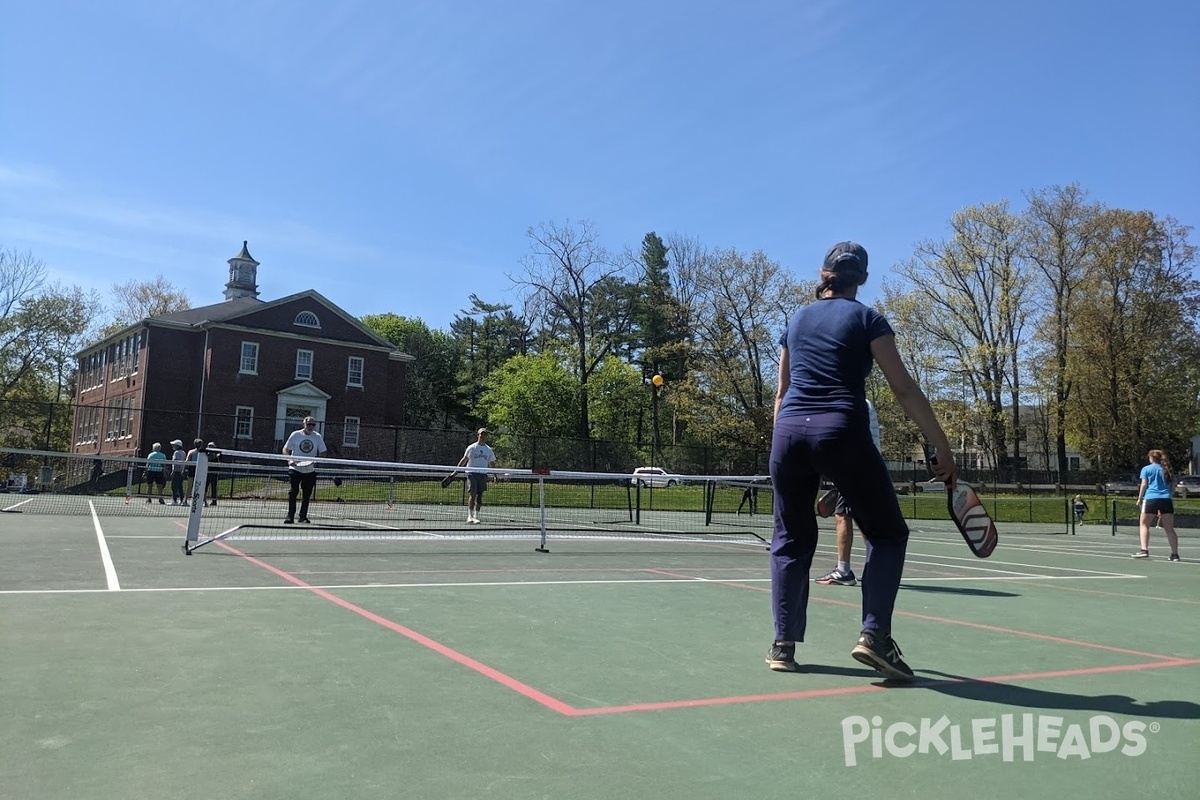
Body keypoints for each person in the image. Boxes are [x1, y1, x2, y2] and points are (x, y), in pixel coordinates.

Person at [767, 241, 956, 682]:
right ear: (863, 279)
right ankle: (874, 637)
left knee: (790, 540)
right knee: (888, 533)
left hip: (789, 434)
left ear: (823, 273)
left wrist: (780, 446)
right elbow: (903, 387)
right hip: (842, 432)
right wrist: (940, 445)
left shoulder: (795, 320)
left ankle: (783, 644)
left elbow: (782, 391)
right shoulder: (868, 318)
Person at [814, 399, 881, 586]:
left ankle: (843, 571)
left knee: (842, 515)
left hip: (855, 467)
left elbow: (843, 436)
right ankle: (877, 568)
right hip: (871, 466)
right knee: (863, 519)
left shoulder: (850, 403)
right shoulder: (864, 403)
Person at [1131, 449, 1180, 561]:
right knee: (1169, 528)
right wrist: (1169, 495)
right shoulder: (1167, 469)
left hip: (1151, 498)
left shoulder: (1146, 469)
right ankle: (1174, 554)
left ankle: (1144, 550)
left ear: (1151, 458)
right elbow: (1173, 485)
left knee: (1144, 524)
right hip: (1166, 499)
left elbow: (1144, 484)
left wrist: (1140, 498)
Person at [282, 416, 327, 524]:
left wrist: (317, 461)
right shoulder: (295, 435)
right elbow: (285, 449)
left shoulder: (317, 437)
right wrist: (289, 460)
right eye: (309, 424)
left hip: (310, 470)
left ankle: (303, 516)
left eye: (313, 425)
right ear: (304, 425)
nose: (311, 427)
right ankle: (290, 516)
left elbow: (323, 451)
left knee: (306, 494)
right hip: (295, 469)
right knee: (293, 492)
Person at [456, 427, 496, 523]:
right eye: (481, 434)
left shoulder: (489, 450)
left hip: (482, 475)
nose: (482, 436)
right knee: (473, 494)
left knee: (480, 497)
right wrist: (456, 471)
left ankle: (476, 516)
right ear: (478, 435)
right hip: (472, 474)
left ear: (486, 436)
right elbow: (464, 459)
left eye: (484, 434)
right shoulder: (472, 448)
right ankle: (469, 516)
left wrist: (495, 474)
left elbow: (492, 463)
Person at [169, 439, 188, 505]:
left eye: (174, 445)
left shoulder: (176, 453)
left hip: (177, 472)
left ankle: (174, 501)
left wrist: (173, 471)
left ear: (177, 446)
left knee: (174, 487)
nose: (173, 446)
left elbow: (175, 462)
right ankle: (182, 500)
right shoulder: (183, 452)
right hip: (181, 472)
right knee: (180, 487)